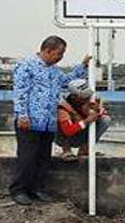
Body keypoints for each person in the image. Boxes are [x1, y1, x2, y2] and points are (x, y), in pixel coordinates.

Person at [10, 36, 90, 205]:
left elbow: (67, 81)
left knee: (43, 158)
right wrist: (22, 115)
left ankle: (36, 189)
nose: (60, 57)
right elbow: (20, 92)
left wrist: (82, 66)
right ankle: (19, 190)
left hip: (48, 122)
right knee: (27, 158)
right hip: (30, 120)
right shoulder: (26, 66)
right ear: (47, 50)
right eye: (59, 53)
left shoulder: (54, 71)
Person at [56, 79, 110, 161]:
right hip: (66, 137)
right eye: (83, 97)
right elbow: (67, 130)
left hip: (81, 134)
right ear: (74, 97)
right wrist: (87, 121)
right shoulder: (63, 107)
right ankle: (66, 151)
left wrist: (96, 112)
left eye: (88, 96)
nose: (86, 99)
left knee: (105, 120)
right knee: (58, 121)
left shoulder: (93, 101)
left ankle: (84, 150)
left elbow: (103, 114)